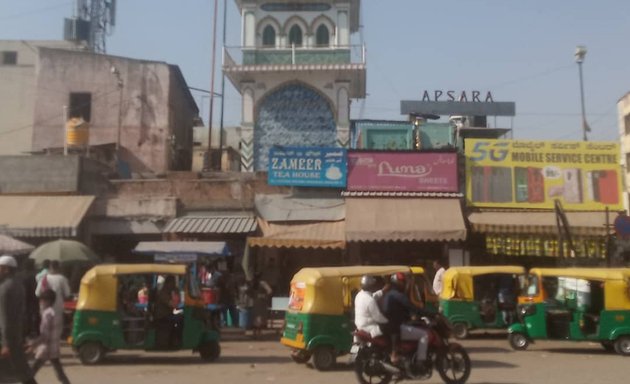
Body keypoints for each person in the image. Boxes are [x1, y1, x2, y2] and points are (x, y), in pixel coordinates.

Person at [0, 255, 37, 384]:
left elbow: (5, 318)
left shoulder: (4, 288)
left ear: (6, 269)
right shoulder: (19, 285)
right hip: (16, 336)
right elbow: (22, 314)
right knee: (22, 372)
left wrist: (5, 344)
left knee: (20, 372)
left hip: (7, 339)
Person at [382, 272, 429, 365]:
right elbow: (410, 306)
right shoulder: (397, 295)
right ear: (397, 283)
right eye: (402, 282)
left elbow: (403, 309)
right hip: (396, 327)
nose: (404, 284)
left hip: (391, 326)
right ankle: (420, 362)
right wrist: (428, 313)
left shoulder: (390, 294)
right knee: (424, 335)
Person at [26, 289, 71, 384]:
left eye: (41, 300)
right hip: (54, 348)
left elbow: (44, 335)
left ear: (47, 301)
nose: (40, 303)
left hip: (45, 349)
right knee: (60, 374)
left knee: (30, 373)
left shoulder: (47, 315)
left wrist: (33, 344)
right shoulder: (56, 313)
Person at [35, 260, 71, 341]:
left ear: (50, 267)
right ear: (59, 268)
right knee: (56, 329)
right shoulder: (62, 279)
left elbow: (37, 293)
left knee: (45, 326)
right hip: (57, 307)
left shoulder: (44, 279)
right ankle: (54, 345)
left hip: (44, 307)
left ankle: (45, 341)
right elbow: (67, 293)